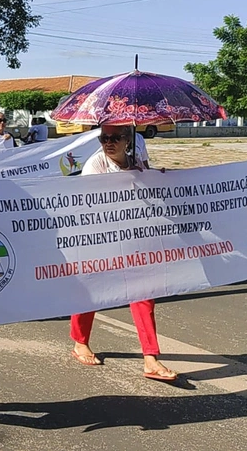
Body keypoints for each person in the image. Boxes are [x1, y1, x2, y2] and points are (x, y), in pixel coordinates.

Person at [70, 124, 177, 381]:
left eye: (115, 138)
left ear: (128, 140)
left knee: (143, 294)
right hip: (100, 239)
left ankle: (151, 358)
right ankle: (80, 342)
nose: (108, 143)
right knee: (92, 292)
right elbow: (89, 205)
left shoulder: (137, 160)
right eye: (104, 138)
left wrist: (153, 177)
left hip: (133, 239)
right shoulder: (95, 166)